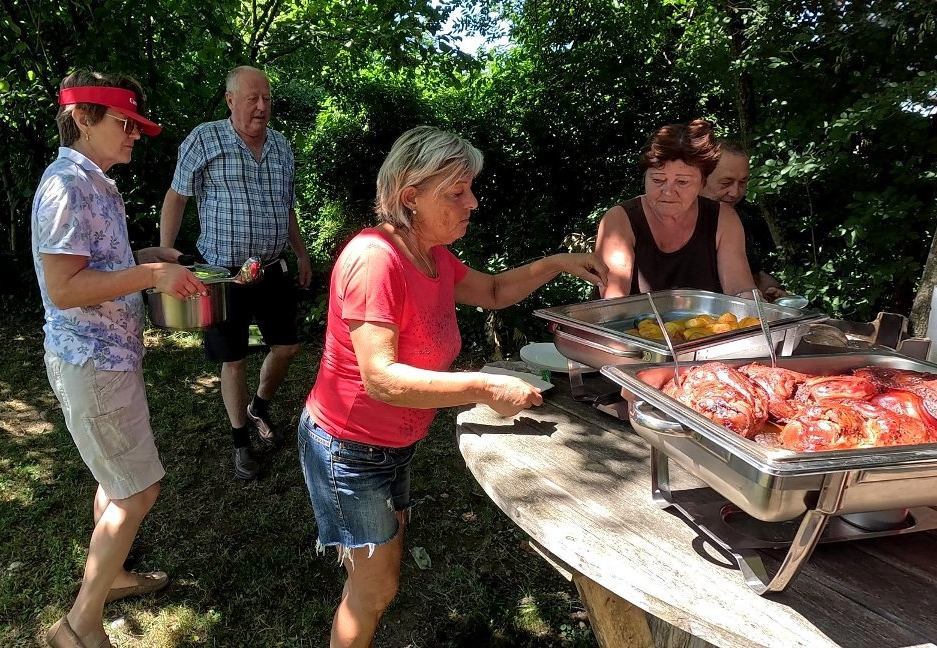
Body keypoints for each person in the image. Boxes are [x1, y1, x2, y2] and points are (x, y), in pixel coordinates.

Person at [298, 126, 608, 648]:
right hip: (348, 447)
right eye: (457, 192)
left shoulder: (432, 255)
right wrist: (484, 386)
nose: (473, 203)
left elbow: (491, 291)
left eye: (471, 188)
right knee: (374, 588)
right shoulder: (376, 259)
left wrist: (557, 263)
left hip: (392, 445)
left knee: (379, 573)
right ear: (410, 197)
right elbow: (381, 379)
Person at [32, 70, 207, 648]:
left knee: (116, 481)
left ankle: (113, 577)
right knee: (137, 492)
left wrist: (142, 255)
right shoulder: (67, 186)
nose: (135, 134)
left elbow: (93, 263)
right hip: (93, 365)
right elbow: (64, 287)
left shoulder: (95, 183)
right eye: (124, 123)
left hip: (107, 359)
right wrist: (154, 274)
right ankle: (79, 627)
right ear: (83, 118)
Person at [160, 65, 312, 481]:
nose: (261, 107)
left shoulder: (281, 147)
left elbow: (287, 208)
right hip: (223, 273)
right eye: (251, 99)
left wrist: (301, 254)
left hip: (270, 269)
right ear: (231, 101)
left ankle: (258, 406)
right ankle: (241, 442)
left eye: (266, 98)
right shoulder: (205, 139)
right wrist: (167, 253)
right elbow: (176, 196)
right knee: (234, 359)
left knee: (286, 347)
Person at [594, 118, 756, 299]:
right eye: (658, 180)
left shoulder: (723, 218)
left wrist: (751, 301)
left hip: (705, 327)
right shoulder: (620, 219)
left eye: (682, 182)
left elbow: (740, 289)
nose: (669, 192)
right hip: (630, 326)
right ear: (645, 177)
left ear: (703, 182)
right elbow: (613, 302)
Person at [700, 141, 788, 301]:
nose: (735, 193)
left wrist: (780, 297)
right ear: (699, 178)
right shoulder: (664, 222)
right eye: (726, 183)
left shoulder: (738, 218)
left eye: (742, 183)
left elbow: (756, 277)